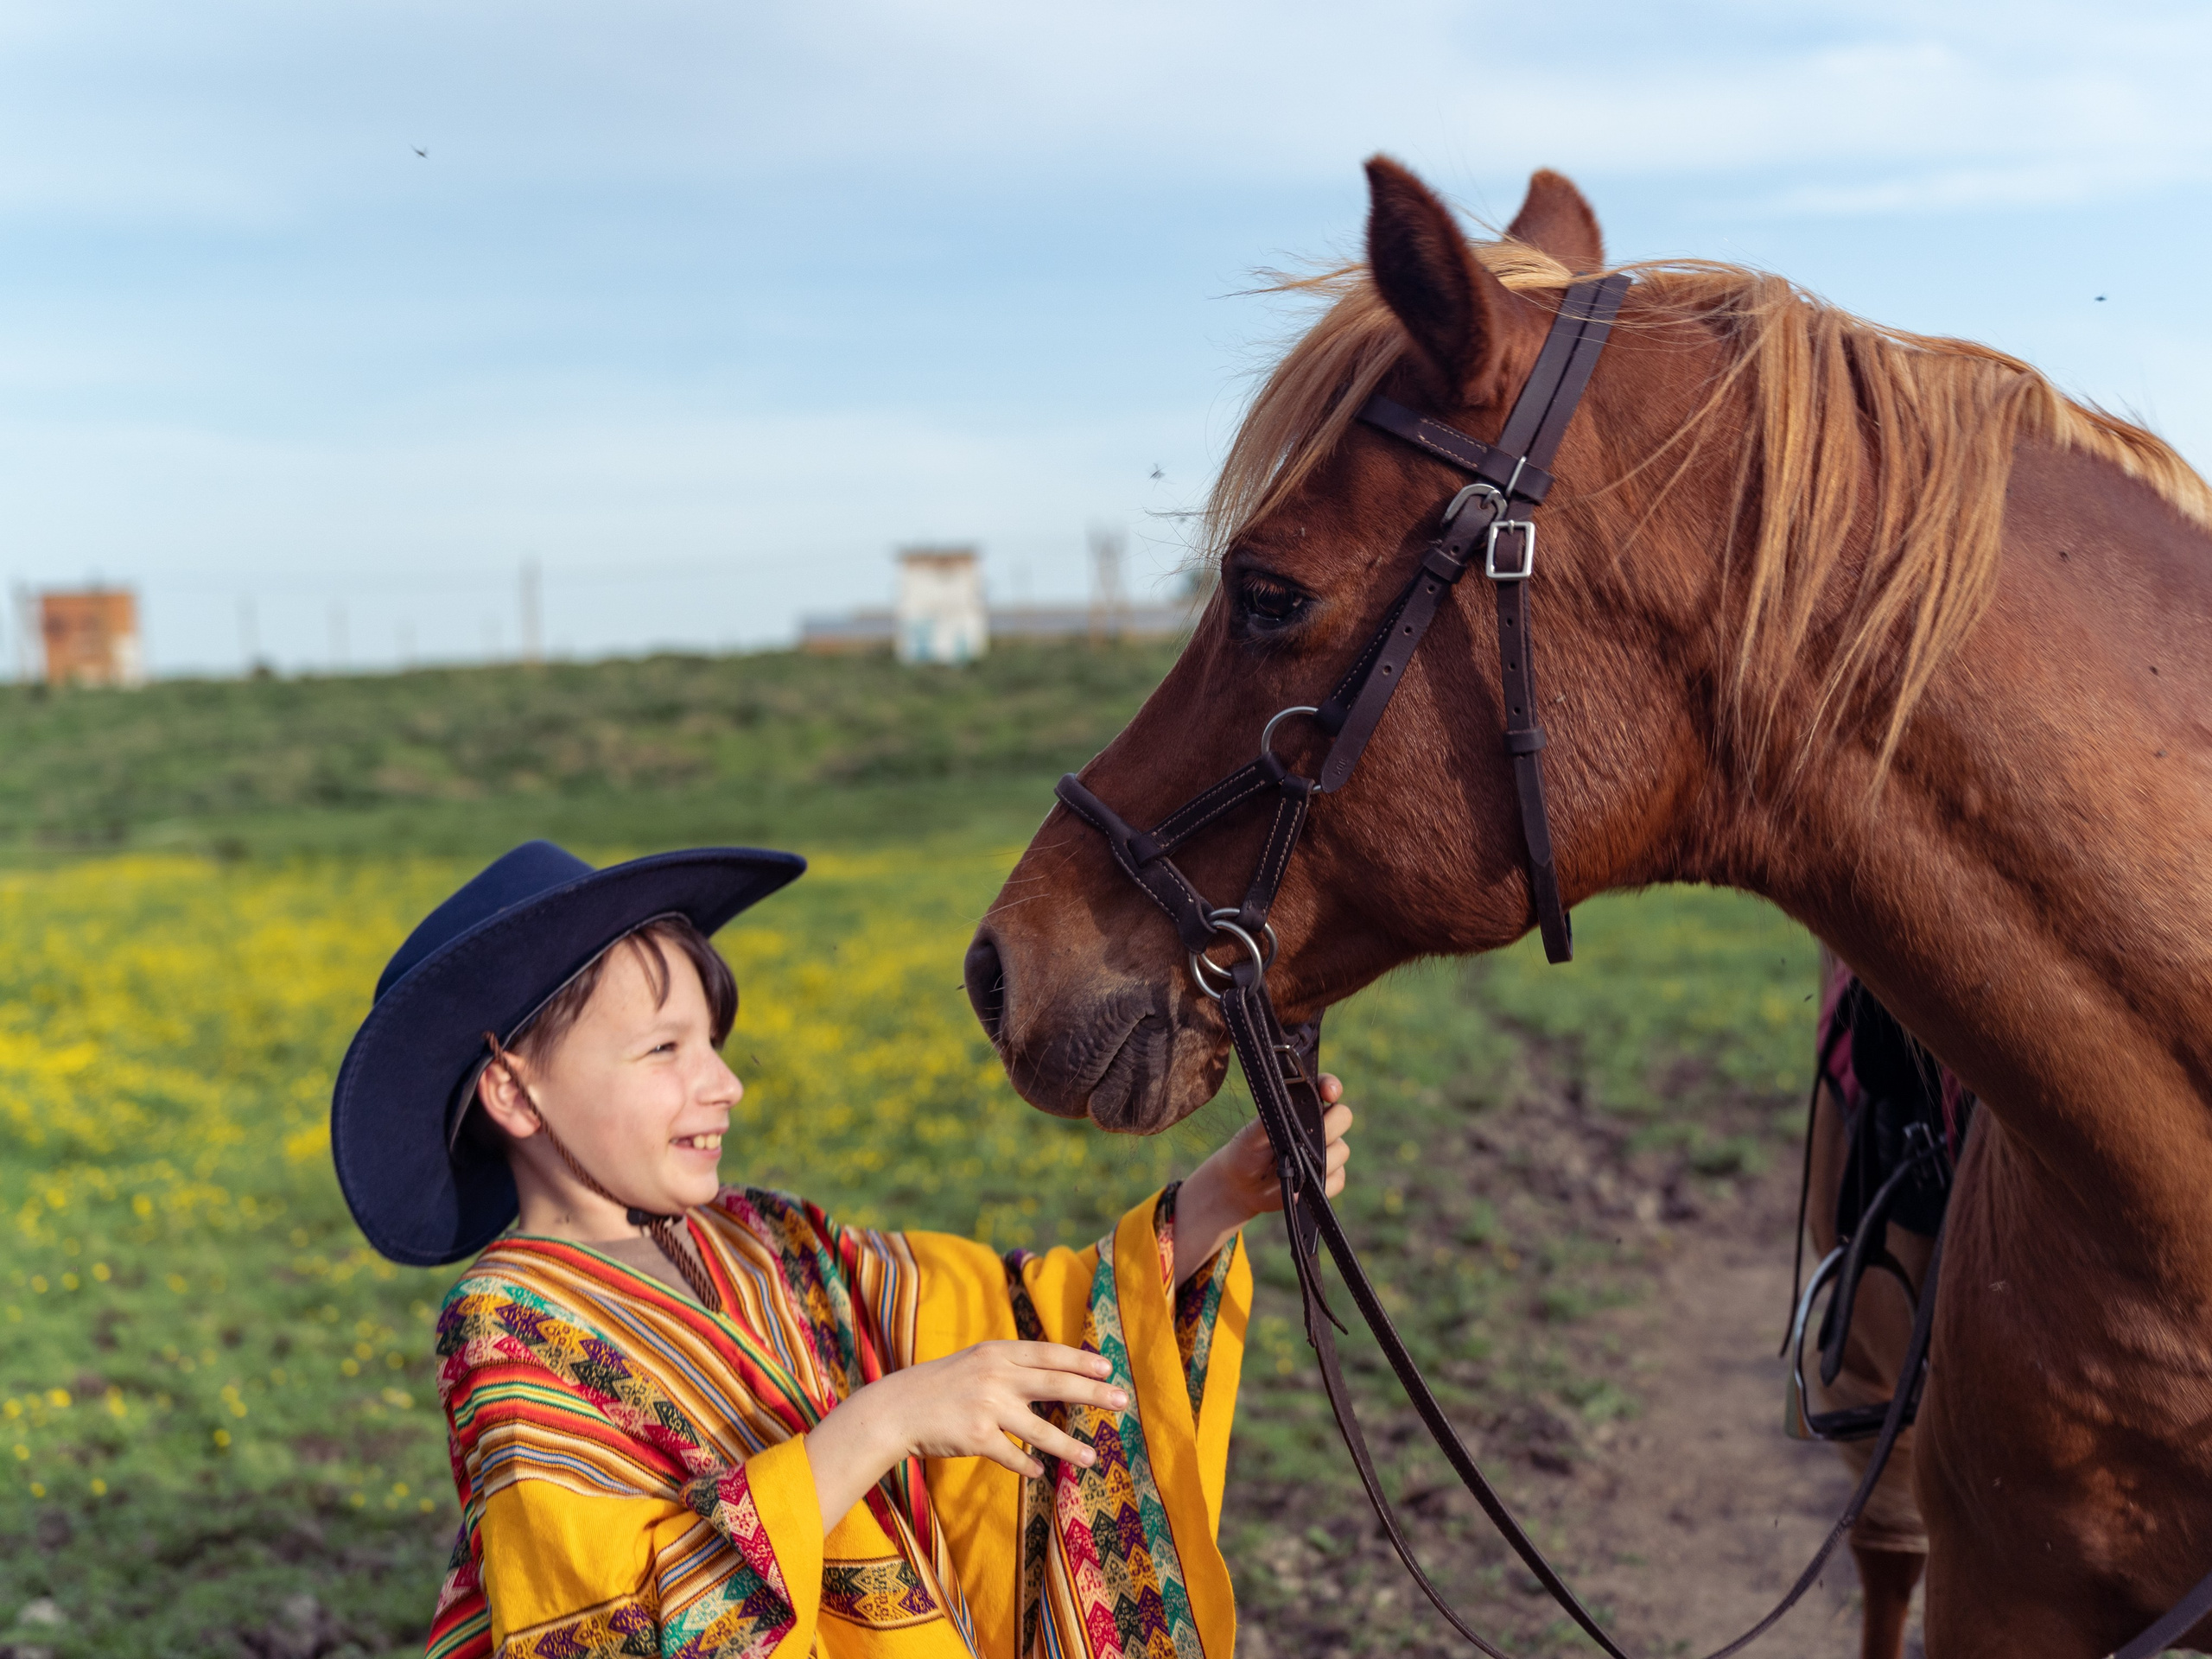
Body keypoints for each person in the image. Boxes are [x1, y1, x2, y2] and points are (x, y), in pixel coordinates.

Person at [328, 841, 1354, 1659]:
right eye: (663, 1050)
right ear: (514, 1091)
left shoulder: (762, 1236)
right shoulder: (511, 1329)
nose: (721, 1084)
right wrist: (882, 1422)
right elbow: (605, 1631)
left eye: (714, 1044)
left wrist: (1218, 1199)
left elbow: (1013, 1321)